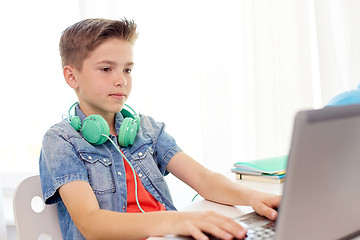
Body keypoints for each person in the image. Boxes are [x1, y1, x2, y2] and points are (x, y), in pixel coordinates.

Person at [39, 18, 281, 240]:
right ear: (72, 77)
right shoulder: (62, 140)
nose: (121, 80)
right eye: (106, 69)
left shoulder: (145, 128)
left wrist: (256, 198)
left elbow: (204, 179)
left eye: (127, 69)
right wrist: (177, 220)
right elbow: (92, 223)